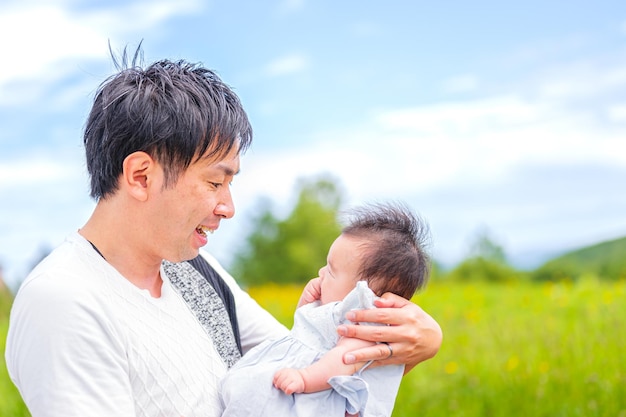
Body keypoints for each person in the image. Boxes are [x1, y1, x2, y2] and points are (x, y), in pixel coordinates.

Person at [5, 47, 442, 417]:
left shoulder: (193, 268)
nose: (228, 207)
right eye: (215, 182)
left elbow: (303, 369)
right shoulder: (64, 302)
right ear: (140, 175)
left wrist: (410, 344)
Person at [220, 202, 430, 417]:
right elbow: (306, 335)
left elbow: (341, 360)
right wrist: (307, 306)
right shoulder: (339, 316)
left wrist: (304, 378)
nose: (320, 272)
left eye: (330, 270)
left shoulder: (363, 327)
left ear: (361, 296)